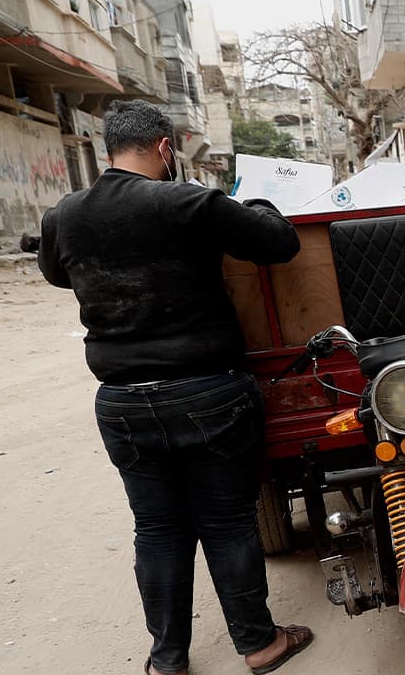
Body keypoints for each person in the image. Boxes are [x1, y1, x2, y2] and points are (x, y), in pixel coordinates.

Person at [37, 100, 312, 675]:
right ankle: (259, 645)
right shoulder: (188, 202)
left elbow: (58, 273)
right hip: (208, 391)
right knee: (226, 521)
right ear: (166, 148)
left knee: (157, 528)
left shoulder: (64, 215)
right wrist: (255, 202)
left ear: (109, 148)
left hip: (122, 402)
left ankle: (167, 660)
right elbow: (278, 243)